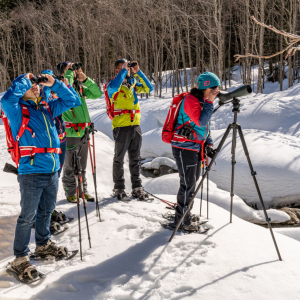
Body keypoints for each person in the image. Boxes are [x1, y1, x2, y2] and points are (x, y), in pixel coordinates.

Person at [1, 72, 80, 279]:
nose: (36, 86)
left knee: (46, 212)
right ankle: (20, 258)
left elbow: (73, 100)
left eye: (37, 84)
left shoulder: (46, 108)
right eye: (32, 85)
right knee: (27, 217)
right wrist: (25, 80)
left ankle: (43, 245)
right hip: (32, 172)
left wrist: (54, 84)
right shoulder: (17, 110)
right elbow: (5, 99)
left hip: (52, 170)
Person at [171, 72, 220, 231]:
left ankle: (185, 214)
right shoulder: (191, 100)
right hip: (184, 148)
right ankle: (182, 222)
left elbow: (205, 128)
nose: (216, 92)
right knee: (188, 185)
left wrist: (209, 144)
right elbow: (201, 121)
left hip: (196, 147)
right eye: (214, 89)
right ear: (206, 87)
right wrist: (211, 102)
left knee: (191, 183)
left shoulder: (202, 101)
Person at [106, 59, 153, 200]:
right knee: (119, 159)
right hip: (121, 126)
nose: (126, 69)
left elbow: (149, 88)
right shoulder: (111, 85)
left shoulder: (132, 84)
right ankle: (119, 188)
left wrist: (137, 71)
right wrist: (123, 72)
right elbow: (113, 88)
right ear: (117, 71)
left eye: (127, 66)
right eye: (122, 67)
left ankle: (137, 187)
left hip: (135, 126)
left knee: (135, 158)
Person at [57, 62, 102, 203]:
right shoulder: (59, 86)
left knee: (82, 166)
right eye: (69, 70)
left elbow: (97, 93)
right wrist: (69, 71)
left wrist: (85, 79)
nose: (73, 71)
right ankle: (70, 192)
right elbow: (67, 89)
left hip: (83, 132)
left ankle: (83, 191)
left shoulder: (79, 88)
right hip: (70, 133)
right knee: (70, 166)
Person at [40, 69, 80, 178]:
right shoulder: (41, 95)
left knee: (56, 176)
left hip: (61, 140)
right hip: (50, 142)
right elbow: (44, 103)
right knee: (50, 176)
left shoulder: (58, 94)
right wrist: (45, 86)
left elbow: (76, 102)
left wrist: (67, 86)